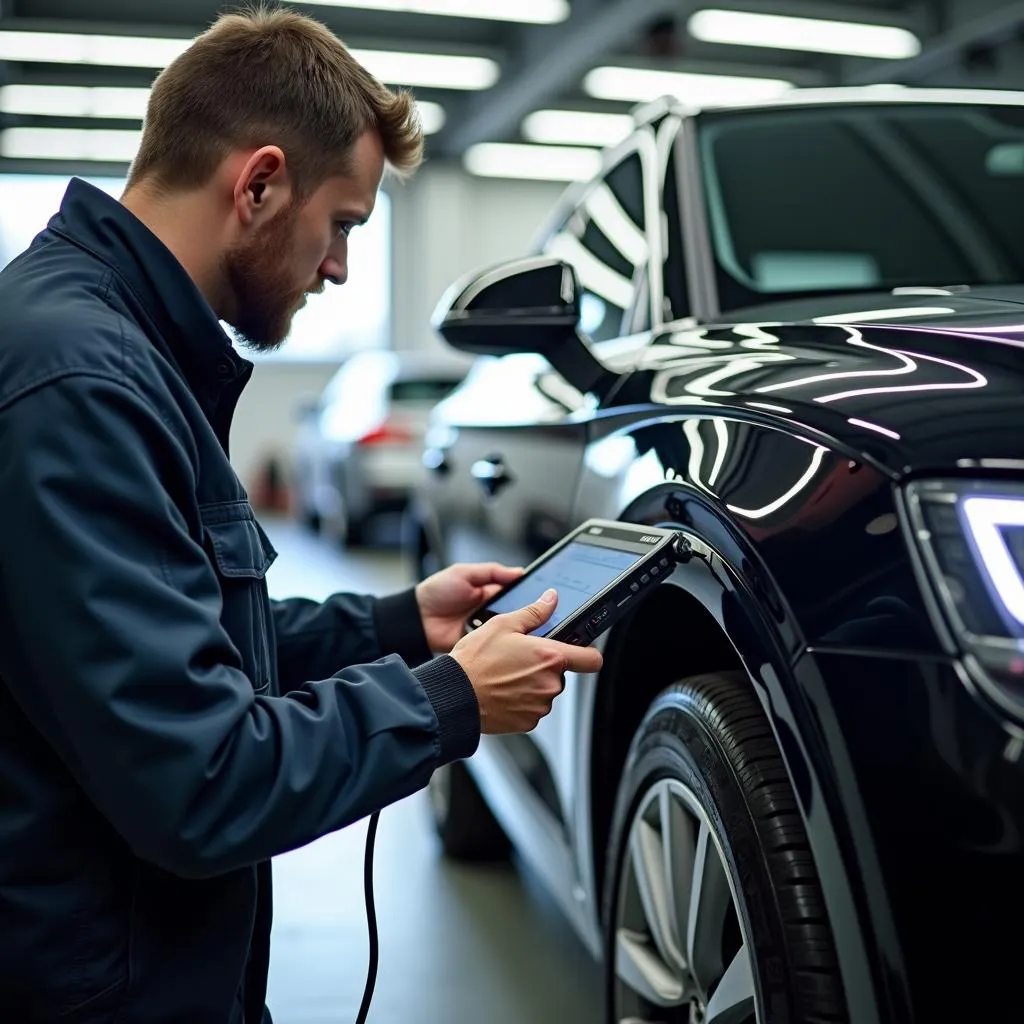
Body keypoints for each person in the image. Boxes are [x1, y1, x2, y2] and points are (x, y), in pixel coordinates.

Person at [0, 7, 602, 1023]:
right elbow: (201, 778)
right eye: (345, 226)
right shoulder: (83, 384)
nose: (339, 268)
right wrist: (448, 699)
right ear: (261, 182)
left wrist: (396, 624)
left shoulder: (108, 348)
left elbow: (176, 647)